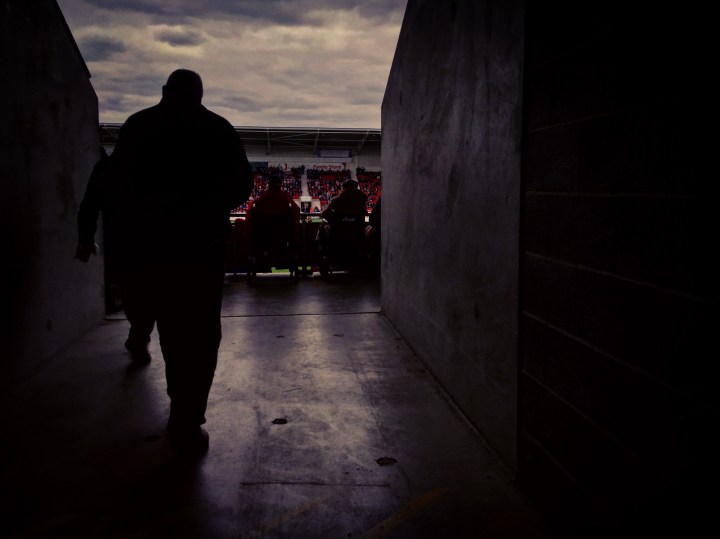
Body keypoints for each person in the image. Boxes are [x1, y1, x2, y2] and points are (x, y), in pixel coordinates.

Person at [78, 69, 252, 456]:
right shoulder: (216, 127)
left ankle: (140, 338)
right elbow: (242, 184)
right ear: (200, 94)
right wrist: (204, 205)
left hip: (146, 246)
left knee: (156, 316)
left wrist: (86, 232)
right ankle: (187, 418)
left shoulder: (139, 125)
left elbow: (104, 180)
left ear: (163, 91)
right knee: (199, 336)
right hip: (199, 249)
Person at [76, 149, 157, 365]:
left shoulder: (107, 169)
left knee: (135, 293)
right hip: (153, 240)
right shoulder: (154, 165)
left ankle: (139, 336)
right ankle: (139, 336)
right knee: (151, 293)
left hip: (121, 242)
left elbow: (89, 206)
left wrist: (85, 238)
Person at [316, 179, 367, 253]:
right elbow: (365, 199)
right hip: (356, 235)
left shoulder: (335, 200)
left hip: (337, 234)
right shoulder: (361, 201)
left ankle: (322, 251)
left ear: (343, 188)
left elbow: (324, 214)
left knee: (322, 227)